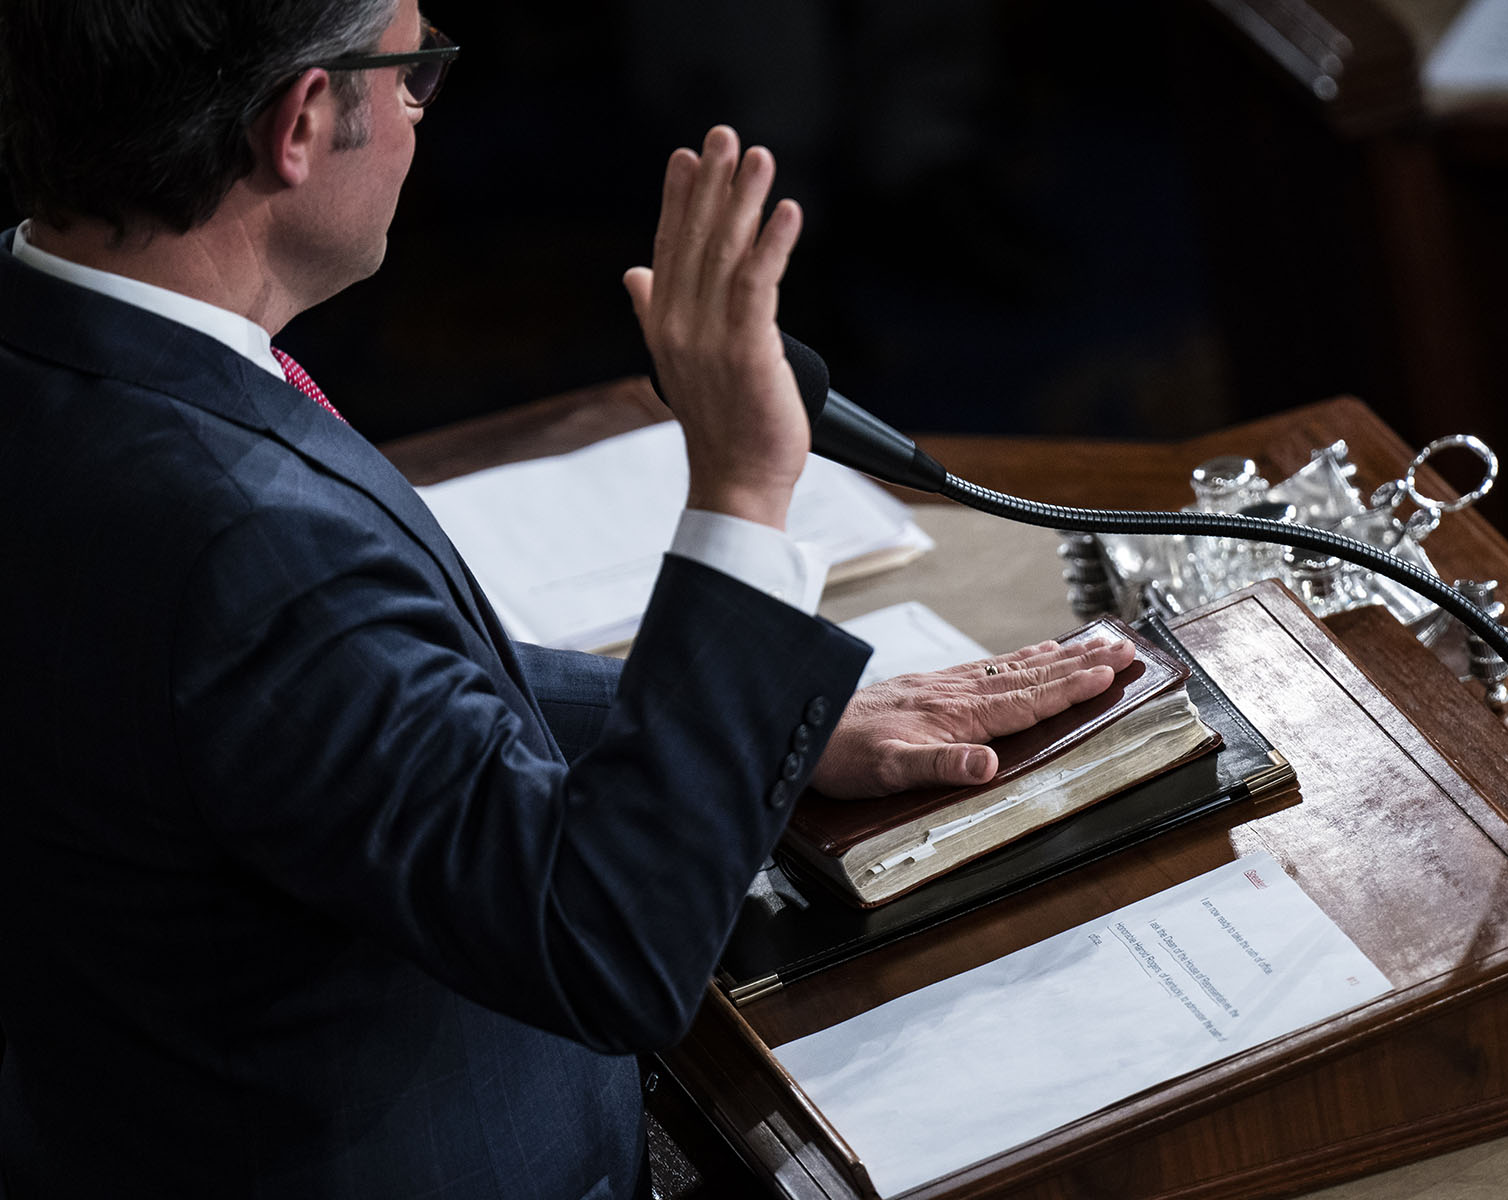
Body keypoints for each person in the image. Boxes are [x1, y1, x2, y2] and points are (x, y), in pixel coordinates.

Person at [0, 1, 1134, 1197]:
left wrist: (765, 730)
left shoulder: (58, 339)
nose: (425, 105)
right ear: (301, 122)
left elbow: (300, 705)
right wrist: (745, 484)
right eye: (413, 68)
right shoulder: (251, 540)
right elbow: (610, 946)